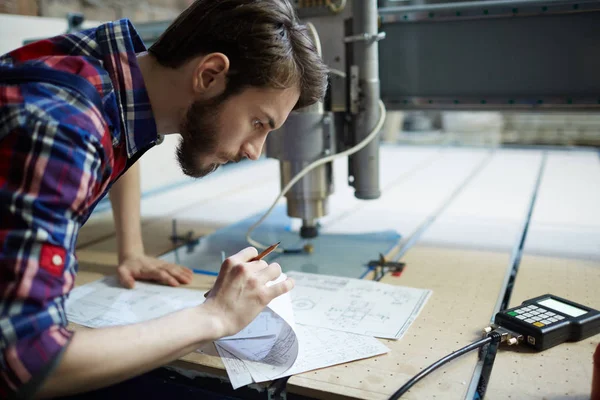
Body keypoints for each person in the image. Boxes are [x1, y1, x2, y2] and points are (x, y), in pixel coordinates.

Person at [0, 0, 328, 398]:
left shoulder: (102, 76)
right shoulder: (62, 128)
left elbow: (117, 134)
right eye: (258, 122)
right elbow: (27, 362)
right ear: (209, 75)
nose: (255, 149)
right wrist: (215, 317)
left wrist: (131, 249)